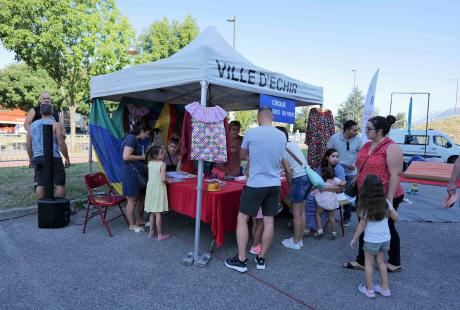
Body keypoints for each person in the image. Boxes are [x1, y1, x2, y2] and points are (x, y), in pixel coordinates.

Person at [224, 107, 287, 272]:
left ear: (259, 117)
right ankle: (261, 259)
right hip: (274, 183)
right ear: (271, 117)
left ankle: (241, 260)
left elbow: (243, 155)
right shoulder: (281, 135)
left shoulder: (252, 133)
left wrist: (252, 154)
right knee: (269, 221)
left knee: (242, 219)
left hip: (255, 183)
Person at [343, 115, 404, 273]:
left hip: (384, 195)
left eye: (369, 129)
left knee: (388, 227)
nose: (365, 131)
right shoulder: (366, 145)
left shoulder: (392, 147)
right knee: (364, 224)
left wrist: (389, 201)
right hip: (365, 194)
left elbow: (395, 175)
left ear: (380, 131)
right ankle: (362, 260)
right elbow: (360, 166)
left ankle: (395, 262)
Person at [350, 175, 398, 298]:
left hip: (371, 240)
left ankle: (370, 290)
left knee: (369, 264)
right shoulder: (386, 202)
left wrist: (354, 238)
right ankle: (385, 288)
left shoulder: (365, 205)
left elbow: (361, 225)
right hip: (385, 238)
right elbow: (395, 217)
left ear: (365, 189)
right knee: (381, 263)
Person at [276, 126, 310, 250]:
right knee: (301, 211)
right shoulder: (293, 145)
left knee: (296, 212)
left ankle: (296, 241)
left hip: (298, 180)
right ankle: (299, 239)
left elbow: (287, 171)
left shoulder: (281, 149)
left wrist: (291, 188)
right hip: (307, 177)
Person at [26, 103, 70, 199]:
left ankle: (42, 209)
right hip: (54, 157)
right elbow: (61, 143)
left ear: (41, 112)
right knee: (59, 183)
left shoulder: (31, 126)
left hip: (38, 157)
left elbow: (28, 146)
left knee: (40, 184)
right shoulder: (56, 125)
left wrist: (31, 159)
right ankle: (59, 208)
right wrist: (67, 158)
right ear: (52, 112)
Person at [327, 120, 363, 226]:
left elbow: (362, 155)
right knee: (331, 194)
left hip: (351, 173)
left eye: (357, 130)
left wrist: (355, 165)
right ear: (347, 130)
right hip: (336, 172)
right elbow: (328, 153)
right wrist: (339, 164)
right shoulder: (335, 138)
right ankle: (328, 216)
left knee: (347, 196)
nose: (356, 132)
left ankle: (346, 217)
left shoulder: (358, 139)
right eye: (354, 130)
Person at [304, 148, 346, 236]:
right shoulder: (321, 167)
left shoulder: (339, 169)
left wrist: (324, 189)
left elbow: (340, 188)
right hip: (320, 191)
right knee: (308, 199)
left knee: (321, 201)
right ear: (327, 157)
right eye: (333, 156)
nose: (336, 159)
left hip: (332, 193)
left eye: (337, 157)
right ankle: (309, 225)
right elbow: (315, 181)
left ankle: (317, 226)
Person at [121, 122, 151, 233]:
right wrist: (142, 157)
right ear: (142, 131)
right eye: (147, 134)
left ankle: (139, 220)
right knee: (132, 200)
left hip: (137, 173)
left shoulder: (135, 140)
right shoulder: (131, 139)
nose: (147, 137)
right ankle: (132, 225)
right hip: (131, 174)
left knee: (141, 198)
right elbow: (126, 156)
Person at [144, 145, 171, 241]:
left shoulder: (150, 163)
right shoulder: (162, 164)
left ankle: (151, 232)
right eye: (161, 153)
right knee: (158, 212)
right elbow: (163, 179)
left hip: (151, 188)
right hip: (158, 189)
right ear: (155, 156)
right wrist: (168, 180)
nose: (164, 153)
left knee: (152, 212)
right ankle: (160, 235)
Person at [312, 167, 346, 239]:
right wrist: (339, 186)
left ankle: (320, 230)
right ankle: (334, 232)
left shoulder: (322, 182)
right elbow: (343, 183)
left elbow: (316, 190)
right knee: (332, 217)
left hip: (322, 202)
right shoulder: (335, 180)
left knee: (318, 214)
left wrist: (312, 193)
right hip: (331, 202)